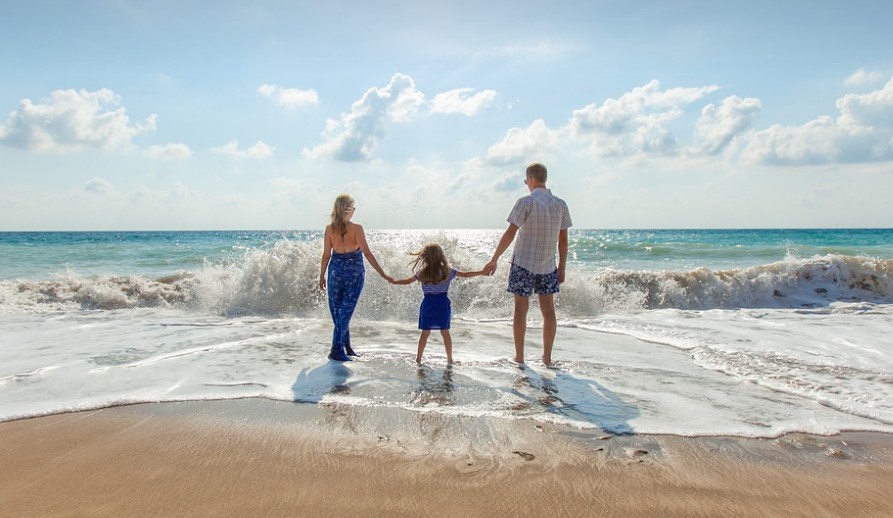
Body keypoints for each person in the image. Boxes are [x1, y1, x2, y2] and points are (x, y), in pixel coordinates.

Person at [483, 162, 572, 366]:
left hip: (523, 263)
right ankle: (547, 358)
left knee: (520, 311)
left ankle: (520, 357)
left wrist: (494, 258)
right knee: (548, 311)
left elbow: (510, 233)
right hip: (548, 266)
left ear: (531, 179)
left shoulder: (525, 202)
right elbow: (563, 240)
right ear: (544, 179)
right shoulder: (560, 204)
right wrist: (563, 267)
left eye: (526, 181)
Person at [319, 194, 392, 361]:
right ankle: (336, 350)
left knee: (339, 312)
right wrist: (382, 273)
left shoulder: (330, 229)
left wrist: (322, 275)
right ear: (350, 210)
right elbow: (367, 253)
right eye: (353, 208)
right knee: (344, 312)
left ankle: (346, 347)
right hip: (354, 272)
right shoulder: (357, 229)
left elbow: (326, 255)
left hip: (335, 271)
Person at [390, 242, 486, 365]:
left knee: (425, 333)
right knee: (445, 332)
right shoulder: (447, 271)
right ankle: (450, 359)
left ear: (424, 257)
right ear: (441, 256)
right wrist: (482, 272)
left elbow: (408, 281)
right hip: (442, 305)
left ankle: (418, 359)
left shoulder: (422, 273)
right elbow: (466, 274)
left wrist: (394, 281)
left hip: (428, 305)